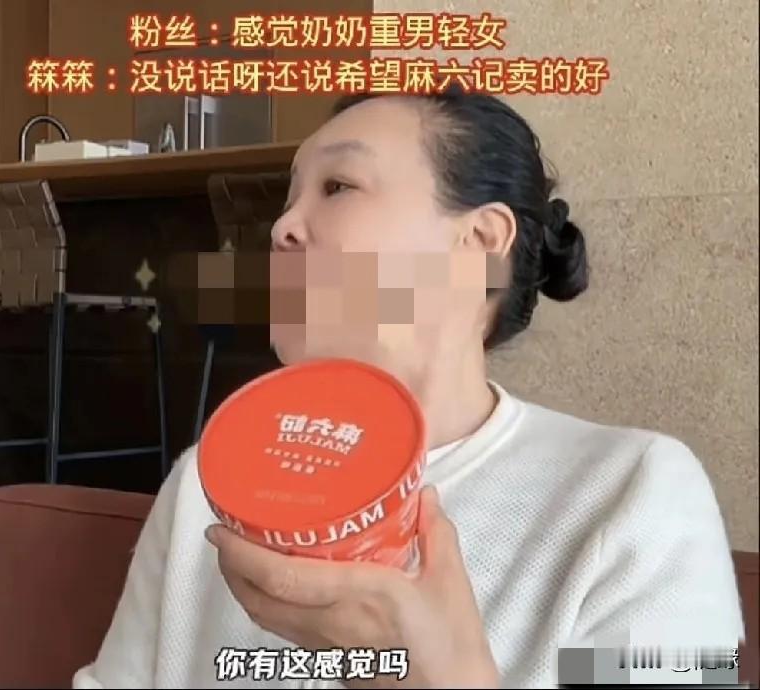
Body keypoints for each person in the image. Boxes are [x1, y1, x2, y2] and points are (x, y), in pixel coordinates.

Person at [72, 87, 744, 689]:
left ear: (480, 242)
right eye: (288, 199)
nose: (282, 228)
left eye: (338, 186)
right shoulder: (206, 484)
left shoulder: (633, 494)